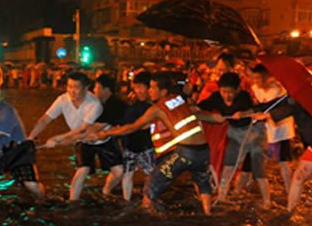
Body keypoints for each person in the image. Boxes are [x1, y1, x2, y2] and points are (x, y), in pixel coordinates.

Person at [91, 72, 222, 215]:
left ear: (163, 91)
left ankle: (147, 218)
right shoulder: (179, 100)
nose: (149, 91)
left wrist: (106, 133)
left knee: (151, 186)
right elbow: (195, 114)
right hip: (203, 152)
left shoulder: (157, 108)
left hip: (185, 153)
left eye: (153, 88)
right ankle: (208, 214)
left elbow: (133, 126)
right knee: (203, 184)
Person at [28, 72, 114, 201]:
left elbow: (82, 129)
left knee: (118, 170)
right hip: (82, 140)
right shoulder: (62, 100)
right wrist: (30, 138)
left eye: (76, 87)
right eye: (69, 87)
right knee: (83, 169)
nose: (71, 91)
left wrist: (58, 138)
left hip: (102, 138)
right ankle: (73, 202)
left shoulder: (94, 104)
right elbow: (45, 120)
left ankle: (106, 191)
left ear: (86, 88)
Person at [199, 72, 271, 208]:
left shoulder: (244, 97)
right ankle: (222, 196)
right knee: (229, 164)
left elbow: (254, 109)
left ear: (237, 90)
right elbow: (201, 106)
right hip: (235, 135)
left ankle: (267, 201)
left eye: (230, 92)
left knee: (258, 169)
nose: (227, 95)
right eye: (223, 91)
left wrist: (243, 113)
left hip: (254, 134)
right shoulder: (216, 98)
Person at [250, 64, 295, 193]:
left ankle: (289, 190)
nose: (256, 81)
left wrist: (278, 83)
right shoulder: (255, 89)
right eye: (254, 78)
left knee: (284, 162)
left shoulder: (279, 89)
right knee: (260, 158)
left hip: (282, 130)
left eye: (258, 78)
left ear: (266, 77)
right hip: (266, 130)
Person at [118, 72, 157, 202]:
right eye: (136, 87)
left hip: (147, 147)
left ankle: (147, 199)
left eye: (142, 87)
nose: (139, 91)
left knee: (149, 175)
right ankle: (126, 201)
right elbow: (124, 124)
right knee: (128, 174)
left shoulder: (154, 106)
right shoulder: (131, 105)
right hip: (130, 145)